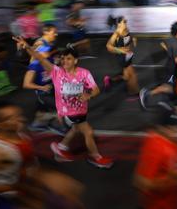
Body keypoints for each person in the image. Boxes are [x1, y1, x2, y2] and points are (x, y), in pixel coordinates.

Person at [13, 37, 114, 169]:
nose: (64, 61)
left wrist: (88, 95)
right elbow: (40, 58)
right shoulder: (57, 72)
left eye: (68, 58)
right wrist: (27, 47)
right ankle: (96, 157)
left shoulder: (84, 73)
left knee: (75, 128)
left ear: (75, 60)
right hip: (67, 112)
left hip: (81, 110)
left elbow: (96, 89)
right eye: (63, 58)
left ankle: (61, 147)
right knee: (88, 132)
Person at [0, 101, 84, 209]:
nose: (20, 120)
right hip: (15, 196)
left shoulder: (19, 132)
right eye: (9, 118)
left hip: (32, 183)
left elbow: (27, 161)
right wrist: (17, 187)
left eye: (18, 115)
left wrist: (45, 176)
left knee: (72, 197)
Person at [134, 112, 177, 209]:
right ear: (166, 129)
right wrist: (176, 179)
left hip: (174, 198)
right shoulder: (155, 148)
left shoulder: (169, 138)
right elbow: (141, 182)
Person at [22, 25, 62, 133]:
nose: (56, 34)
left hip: (48, 81)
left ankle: (37, 124)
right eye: (54, 32)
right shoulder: (40, 44)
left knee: (43, 107)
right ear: (46, 32)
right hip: (41, 81)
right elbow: (35, 57)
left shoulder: (48, 46)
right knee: (58, 106)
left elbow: (47, 58)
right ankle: (56, 124)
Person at [139, 21, 177, 109]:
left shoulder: (172, 39)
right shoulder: (176, 44)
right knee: (168, 88)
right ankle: (147, 93)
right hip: (172, 70)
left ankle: (170, 103)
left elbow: (164, 44)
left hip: (169, 68)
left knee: (172, 88)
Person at [106, 16, 138, 95]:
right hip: (122, 57)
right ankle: (134, 92)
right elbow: (108, 46)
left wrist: (133, 39)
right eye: (124, 21)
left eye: (126, 21)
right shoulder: (116, 34)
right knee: (132, 74)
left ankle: (110, 80)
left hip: (129, 55)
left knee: (126, 76)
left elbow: (128, 37)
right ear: (119, 24)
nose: (126, 22)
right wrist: (119, 50)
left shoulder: (126, 30)